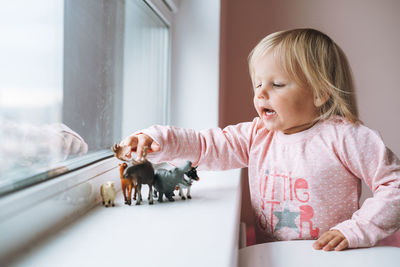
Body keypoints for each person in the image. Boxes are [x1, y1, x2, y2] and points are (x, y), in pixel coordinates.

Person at [119, 28, 400, 251]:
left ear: (319, 93)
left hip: (332, 257)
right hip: (272, 255)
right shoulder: (257, 136)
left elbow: (394, 185)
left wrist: (357, 229)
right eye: (258, 84)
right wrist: (156, 138)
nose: (261, 93)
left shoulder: (346, 137)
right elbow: (205, 145)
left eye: (276, 84)